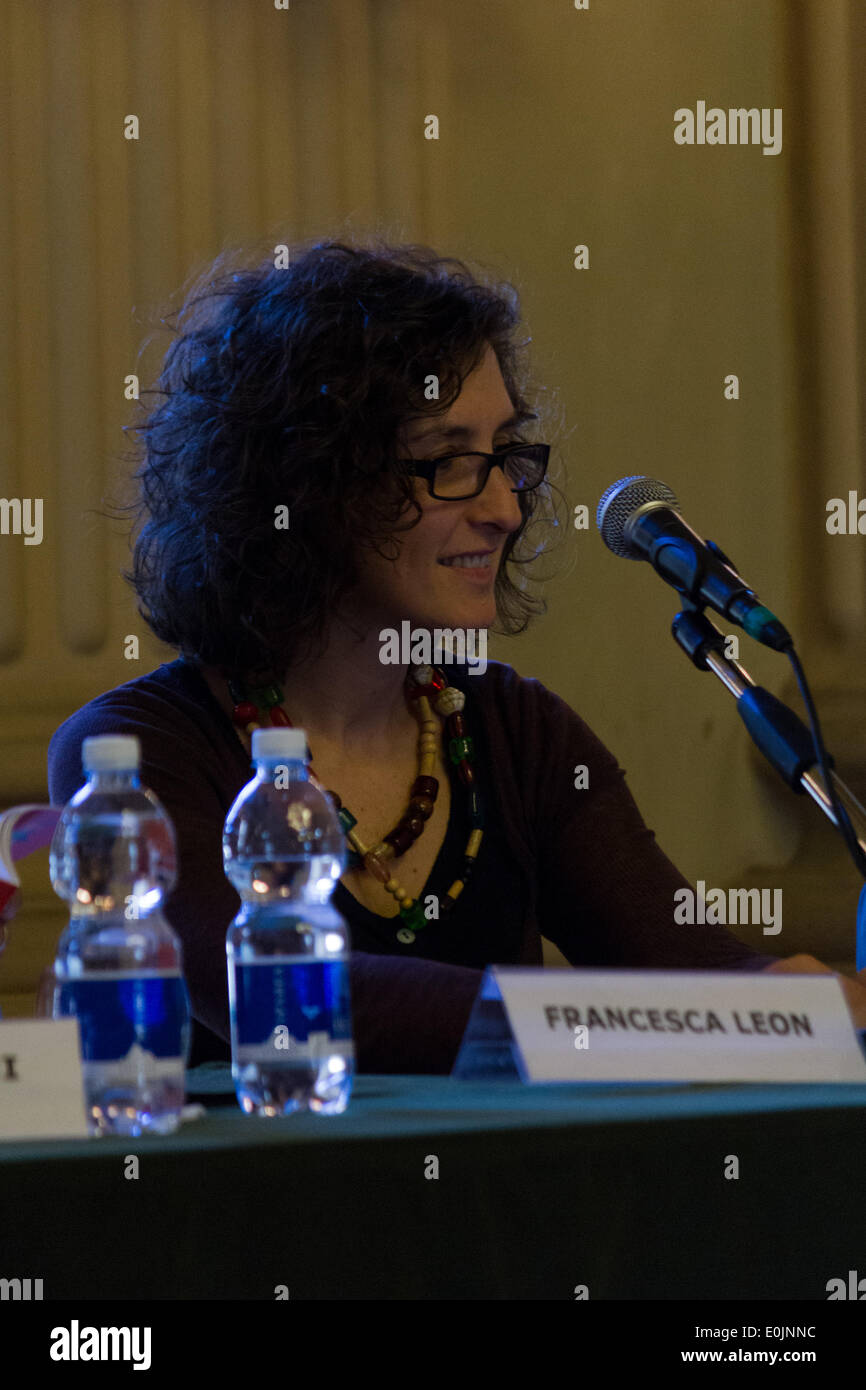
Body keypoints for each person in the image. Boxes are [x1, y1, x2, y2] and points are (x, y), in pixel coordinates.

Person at [46, 238, 866, 1071]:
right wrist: (656, 1019)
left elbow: (698, 972)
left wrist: (792, 999)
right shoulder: (138, 753)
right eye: (449, 463)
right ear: (312, 485)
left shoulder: (515, 732)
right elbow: (279, 992)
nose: (507, 509)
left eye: (506, 456)